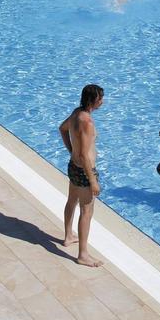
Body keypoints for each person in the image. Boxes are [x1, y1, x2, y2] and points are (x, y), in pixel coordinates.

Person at [59, 84, 104, 267]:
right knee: (86, 211)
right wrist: (93, 180)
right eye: (101, 98)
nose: (103, 101)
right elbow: (85, 155)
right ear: (94, 100)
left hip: (73, 167)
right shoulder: (87, 122)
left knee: (71, 201)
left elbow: (62, 128)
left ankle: (68, 236)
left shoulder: (76, 114)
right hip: (85, 172)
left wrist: (71, 150)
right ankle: (83, 255)